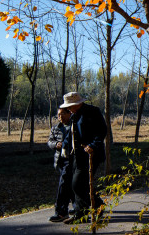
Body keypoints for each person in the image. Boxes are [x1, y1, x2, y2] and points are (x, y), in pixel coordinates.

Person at [60, 91, 107, 224]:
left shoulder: (92, 112)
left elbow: (102, 130)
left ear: (78, 103)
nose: (68, 109)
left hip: (91, 155)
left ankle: (97, 207)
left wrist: (93, 145)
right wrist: (65, 145)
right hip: (77, 155)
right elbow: (71, 133)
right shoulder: (75, 115)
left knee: (77, 184)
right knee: (78, 184)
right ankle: (81, 214)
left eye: (70, 106)